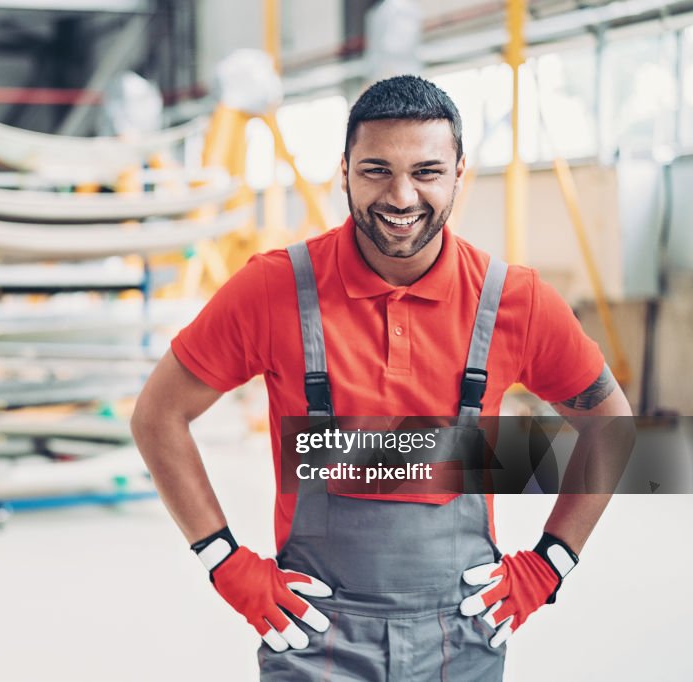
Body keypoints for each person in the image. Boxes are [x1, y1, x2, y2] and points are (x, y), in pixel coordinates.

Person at [130, 75, 632, 681]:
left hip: (464, 637)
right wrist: (224, 561)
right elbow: (157, 415)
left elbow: (612, 426)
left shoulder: (514, 301)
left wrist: (551, 564)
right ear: (343, 170)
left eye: (426, 171)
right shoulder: (274, 289)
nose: (401, 197)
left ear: (458, 172)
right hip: (312, 636)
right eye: (375, 170)